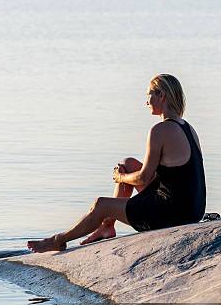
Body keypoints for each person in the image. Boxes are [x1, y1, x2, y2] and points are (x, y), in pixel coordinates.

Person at [27, 73, 206, 253]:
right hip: (192, 210)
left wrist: (121, 177)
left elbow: (144, 178)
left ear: (161, 95)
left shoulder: (160, 130)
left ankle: (59, 240)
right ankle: (107, 227)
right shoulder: (188, 128)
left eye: (149, 94)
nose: (146, 101)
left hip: (171, 215)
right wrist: (126, 174)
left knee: (101, 204)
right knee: (128, 163)